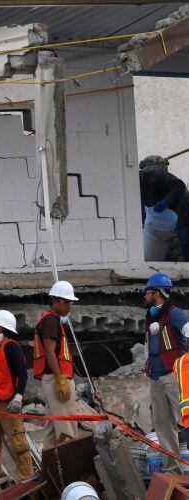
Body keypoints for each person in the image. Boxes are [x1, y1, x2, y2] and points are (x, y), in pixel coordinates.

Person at [143, 273, 188, 473]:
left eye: (148, 291)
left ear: (156, 293)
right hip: (156, 376)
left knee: (185, 418)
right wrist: (148, 361)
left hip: (173, 374)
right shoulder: (152, 315)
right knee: (162, 424)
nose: (145, 295)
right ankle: (173, 469)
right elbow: (151, 342)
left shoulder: (174, 313)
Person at [0, 309, 34, 482]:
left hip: (9, 404)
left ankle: (27, 478)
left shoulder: (11, 347)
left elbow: (22, 374)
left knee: (18, 444)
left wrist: (18, 396)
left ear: (0, 328)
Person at [33, 280, 80, 448]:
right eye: (66, 301)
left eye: (71, 302)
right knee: (67, 428)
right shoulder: (51, 321)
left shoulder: (50, 321)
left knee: (53, 431)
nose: (69, 306)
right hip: (56, 379)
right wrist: (60, 379)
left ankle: (49, 469)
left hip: (53, 378)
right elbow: (50, 351)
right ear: (54, 301)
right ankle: (70, 470)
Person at [139, 155, 189, 260]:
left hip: (182, 207)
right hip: (164, 214)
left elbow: (179, 185)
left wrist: (167, 200)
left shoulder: (153, 172)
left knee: (184, 237)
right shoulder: (132, 187)